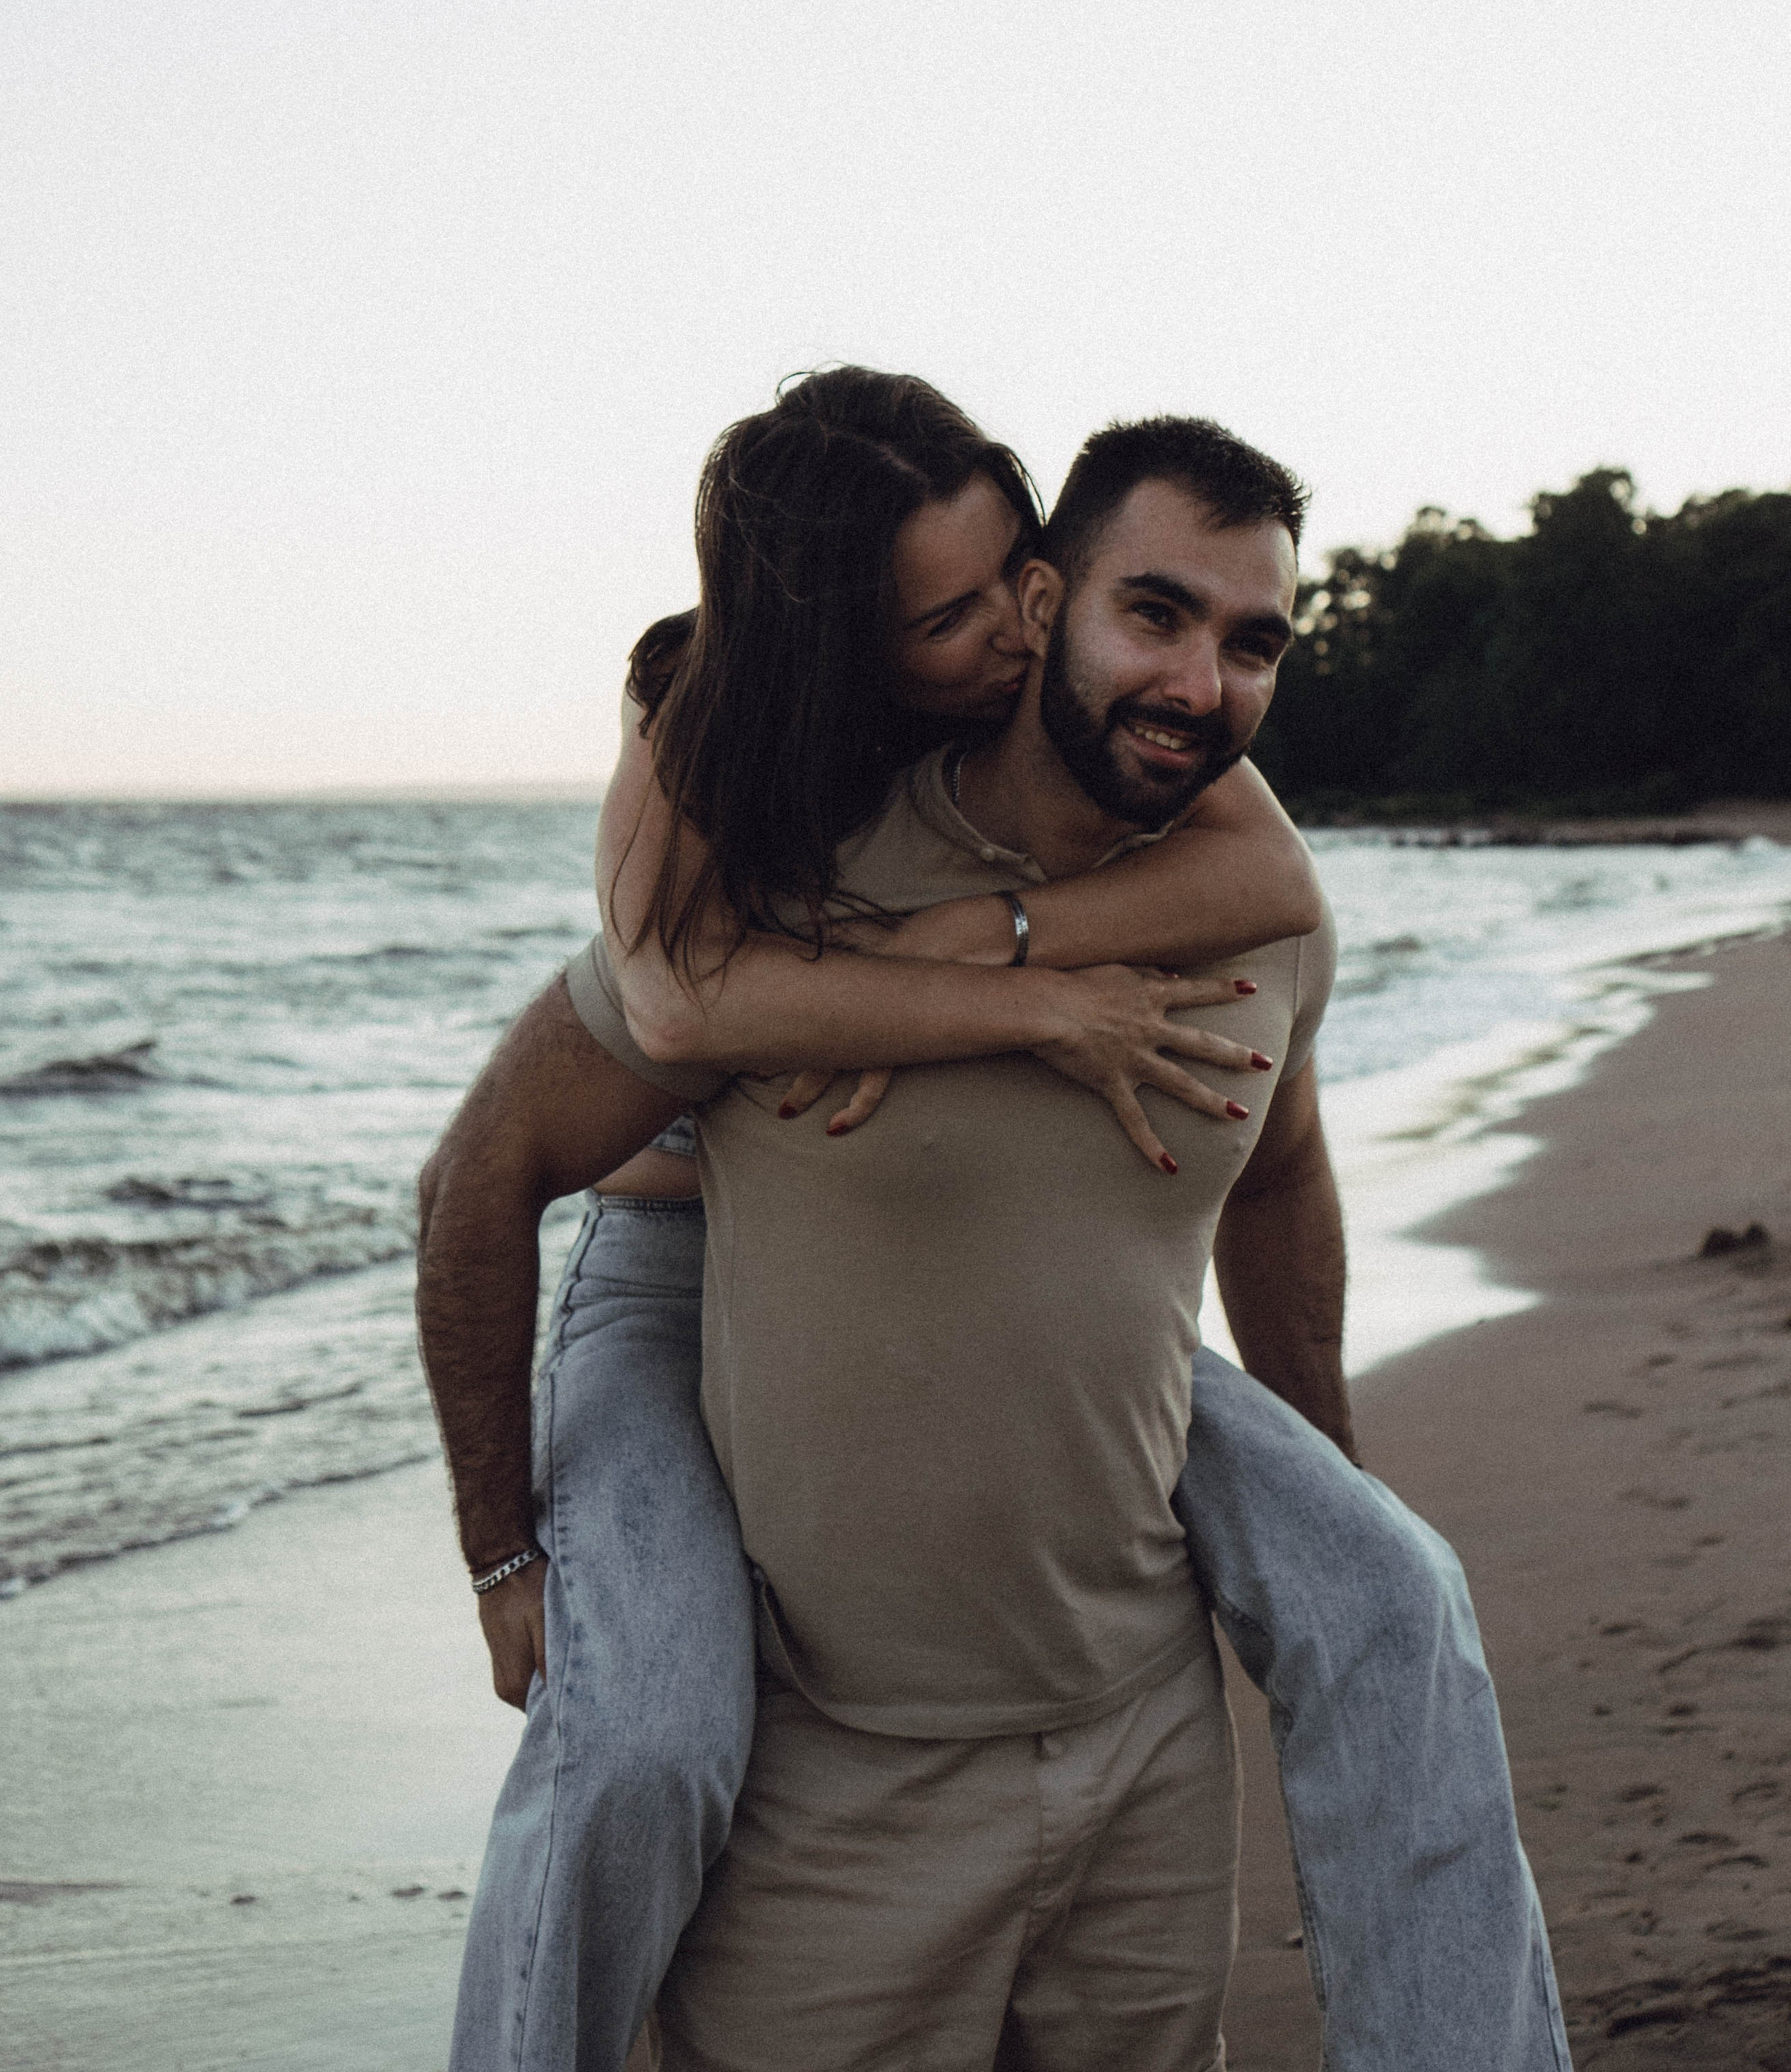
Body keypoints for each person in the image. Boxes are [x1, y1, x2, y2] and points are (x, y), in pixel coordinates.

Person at [418, 374, 1569, 2072]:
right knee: (640, 1735)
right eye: (1146, 613)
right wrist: (501, 1551)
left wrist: (998, 942)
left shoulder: (1224, 857)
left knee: (1387, 1587)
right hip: (674, 1276)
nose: (1189, 679)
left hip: (1119, 1693)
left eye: (1249, 641)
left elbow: (1276, 1068)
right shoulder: (758, 813)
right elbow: (638, 1032)